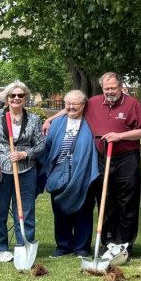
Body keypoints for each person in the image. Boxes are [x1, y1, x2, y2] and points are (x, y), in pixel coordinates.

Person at [0, 81, 45, 262]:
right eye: (12, 95)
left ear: (25, 99)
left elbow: (40, 144)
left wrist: (25, 153)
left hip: (26, 170)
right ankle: (0, 249)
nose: (16, 98)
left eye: (20, 95)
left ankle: (24, 245)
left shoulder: (33, 119)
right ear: (7, 98)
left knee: (25, 211)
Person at [41, 89, 99, 258]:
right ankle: (63, 245)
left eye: (76, 104)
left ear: (84, 105)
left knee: (83, 210)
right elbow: (48, 147)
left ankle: (81, 247)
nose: (71, 107)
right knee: (60, 211)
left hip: (83, 173)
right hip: (59, 173)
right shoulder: (58, 123)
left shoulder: (91, 122)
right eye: (68, 103)